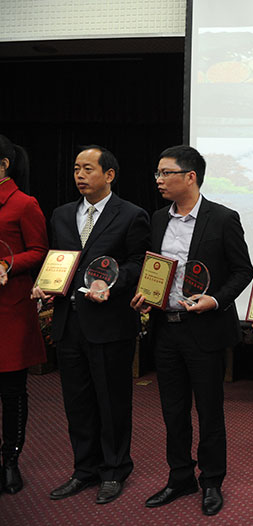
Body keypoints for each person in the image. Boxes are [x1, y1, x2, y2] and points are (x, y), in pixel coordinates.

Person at [131, 145, 253, 516]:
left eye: (165, 173)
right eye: (157, 173)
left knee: (209, 411)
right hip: (166, 329)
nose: (158, 180)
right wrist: (144, 293)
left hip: (205, 328)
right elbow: (154, 268)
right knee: (173, 410)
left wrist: (215, 300)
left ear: (190, 177)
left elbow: (242, 271)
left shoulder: (222, 217)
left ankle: (212, 481)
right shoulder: (156, 219)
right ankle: (180, 476)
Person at [33, 145, 149, 504]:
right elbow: (60, 261)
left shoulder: (131, 214)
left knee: (112, 400)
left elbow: (137, 263)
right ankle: (84, 470)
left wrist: (109, 282)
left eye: (88, 169)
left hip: (111, 323)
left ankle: (114, 470)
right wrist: (46, 283)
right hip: (70, 323)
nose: (80, 175)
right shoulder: (63, 214)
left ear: (109, 175)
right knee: (77, 402)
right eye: (76, 169)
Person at [0, 135, 48, 495]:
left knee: (12, 391)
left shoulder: (24, 203)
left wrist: (7, 263)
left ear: (3, 166)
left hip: (10, 309)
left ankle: (10, 461)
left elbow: (39, 251)